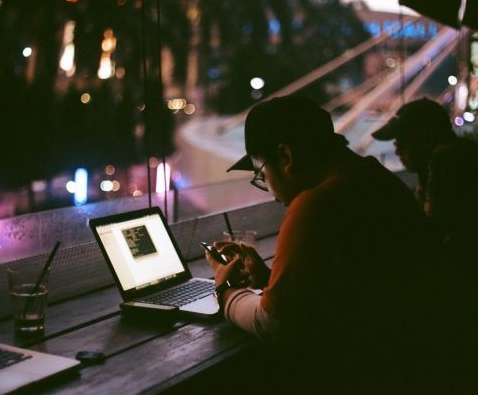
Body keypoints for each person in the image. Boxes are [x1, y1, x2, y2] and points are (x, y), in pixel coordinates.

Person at [204, 95, 474, 394]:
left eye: (261, 175)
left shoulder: (315, 205)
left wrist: (226, 292)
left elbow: (274, 324)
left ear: (285, 158)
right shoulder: (378, 180)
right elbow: (351, 284)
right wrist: (272, 280)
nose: (270, 192)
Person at [372, 98, 478, 251]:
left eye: (401, 142)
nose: (397, 151)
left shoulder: (447, 161)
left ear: (427, 138)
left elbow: (431, 235)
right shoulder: (460, 155)